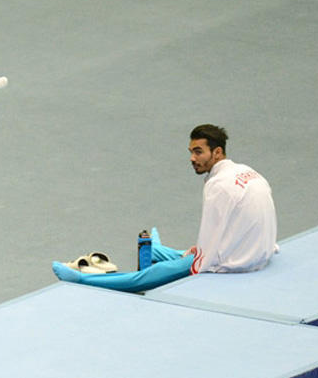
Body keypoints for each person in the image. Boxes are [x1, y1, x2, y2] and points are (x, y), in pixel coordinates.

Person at [52, 124, 277, 292]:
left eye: (198, 152)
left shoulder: (218, 185)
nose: (192, 158)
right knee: (185, 253)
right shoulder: (247, 171)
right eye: (191, 151)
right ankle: (155, 250)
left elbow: (211, 239)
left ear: (217, 152)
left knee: (158, 272)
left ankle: (82, 279)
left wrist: (195, 260)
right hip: (260, 252)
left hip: (240, 264)